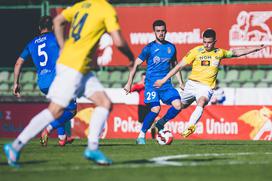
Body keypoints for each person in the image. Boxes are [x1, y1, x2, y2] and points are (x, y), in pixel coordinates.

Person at [4, 0, 134, 167]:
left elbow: (58, 21)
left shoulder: (81, 5)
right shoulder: (105, 8)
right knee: (56, 111)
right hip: (74, 67)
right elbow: (118, 40)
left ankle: (91, 148)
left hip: (77, 66)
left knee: (104, 103)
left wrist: (63, 45)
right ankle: (16, 146)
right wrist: (130, 57)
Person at [154, 28, 265, 138]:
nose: (206, 45)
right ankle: (162, 121)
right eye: (204, 42)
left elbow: (236, 52)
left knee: (201, 101)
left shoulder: (219, 52)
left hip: (206, 87)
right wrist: (164, 80)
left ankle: (190, 126)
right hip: (191, 84)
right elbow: (178, 66)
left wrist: (255, 49)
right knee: (179, 106)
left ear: (215, 42)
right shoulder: (195, 51)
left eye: (209, 43)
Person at [13, 16, 77, 147]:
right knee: (71, 110)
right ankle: (48, 128)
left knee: (59, 106)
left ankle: (62, 137)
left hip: (43, 83)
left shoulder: (31, 44)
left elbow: (18, 63)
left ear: (39, 28)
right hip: (57, 79)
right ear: (53, 27)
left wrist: (16, 83)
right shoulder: (56, 38)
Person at [124, 20, 184, 145]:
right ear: (154, 32)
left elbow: (175, 66)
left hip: (166, 85)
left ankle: (161, 123)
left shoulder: (171, 47)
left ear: (166, 31)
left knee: (178, 105)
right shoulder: (149, 48)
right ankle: (141, 135)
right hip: (152, 85)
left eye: (163, 31)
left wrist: (181, 82)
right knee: (156, 108)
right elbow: (136, 64)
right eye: (158, 31)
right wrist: (129, 83)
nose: (161, 33)